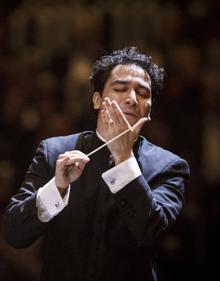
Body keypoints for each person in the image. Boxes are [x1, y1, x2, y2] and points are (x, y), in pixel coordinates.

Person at [3, 47, 190, 281]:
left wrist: (123, 158)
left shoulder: (169, 166)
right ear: (97, 100)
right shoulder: (55, 151)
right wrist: (56, 188)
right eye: (121, 89)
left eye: (143, 93)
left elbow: (149, 233)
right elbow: (14, 233)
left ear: (149, 109)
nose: (132, 99)